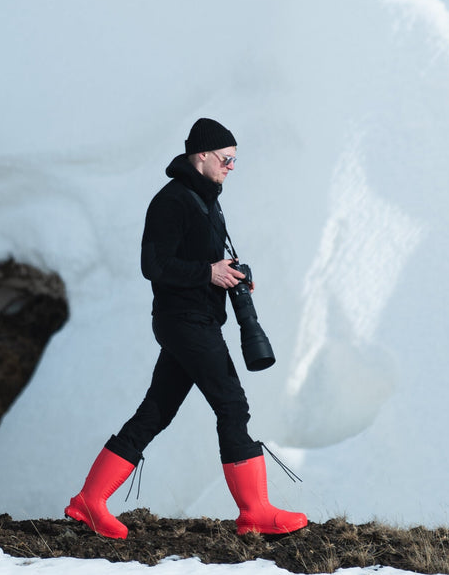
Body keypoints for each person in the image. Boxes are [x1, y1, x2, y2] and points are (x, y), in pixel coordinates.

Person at [64, 117, 307, 539]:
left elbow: (203, 261)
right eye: (227, 158)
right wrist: (207, 273)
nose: (232, 166)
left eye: (235, 159)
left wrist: (231, 274)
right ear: (202, 156)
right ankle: (255, 512)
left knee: (155, 412)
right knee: (233, 406)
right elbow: (152, 265)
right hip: (185, 322)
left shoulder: (208, 201)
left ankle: (89, 501)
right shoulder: (171, 202)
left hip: (194, 320)